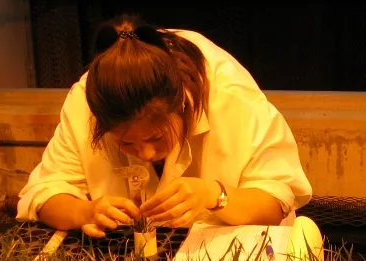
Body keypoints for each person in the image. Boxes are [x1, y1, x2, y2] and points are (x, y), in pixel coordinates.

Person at [17, 15, 312, 237]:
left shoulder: (229, 95)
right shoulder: (86, 100)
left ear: (182, 105)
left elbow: (278, 200)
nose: (145, 154)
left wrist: (214, 195)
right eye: (125, 142)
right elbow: (43, 195)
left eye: (156, 137)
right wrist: (85, 211)